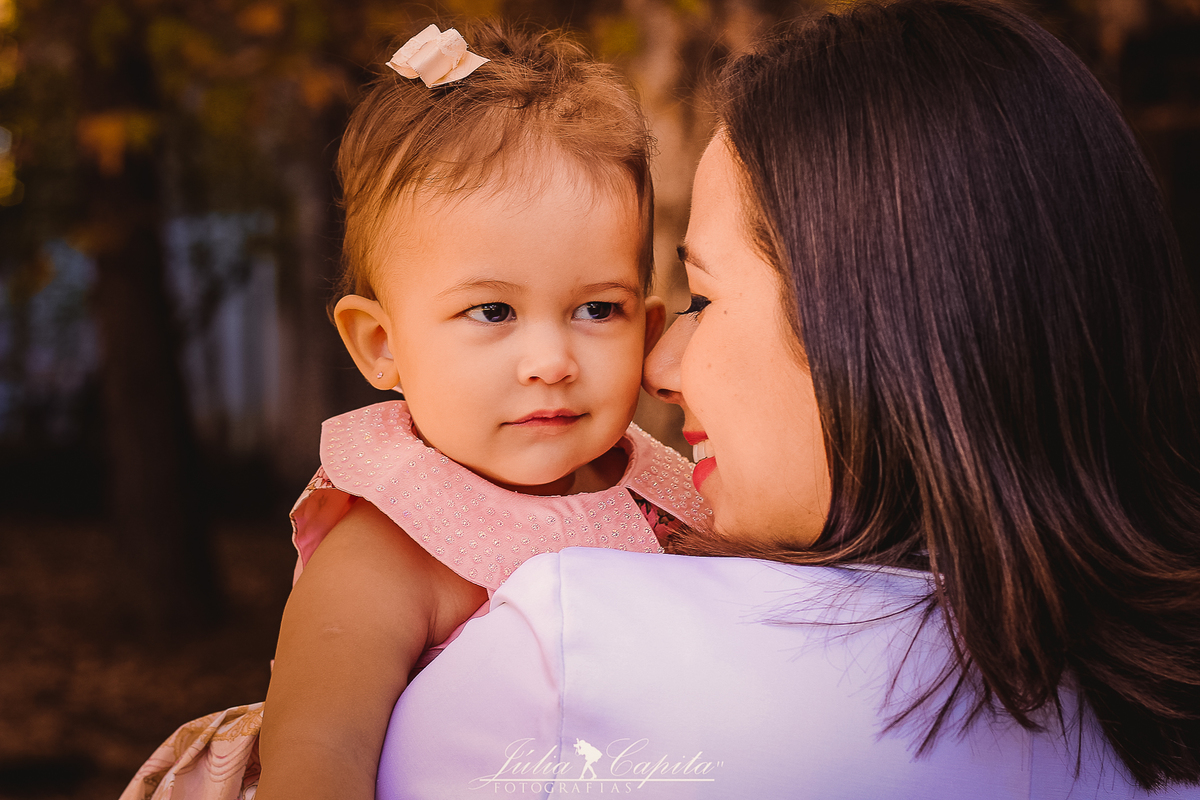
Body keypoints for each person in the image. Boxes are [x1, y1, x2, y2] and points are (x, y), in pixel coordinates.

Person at [374, 1, 1200, 797]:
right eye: (491, 311)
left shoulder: (567, 661)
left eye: (700, 300)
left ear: (873, 322)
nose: (658, 368)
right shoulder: (1156, 701)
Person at [119, 22, 710, 800]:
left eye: (597, 309)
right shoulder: (392, 542)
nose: (551, 361)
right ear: (380, 345)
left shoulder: (668, 498)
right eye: (493, 311)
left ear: (650, 328)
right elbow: (319, 758)